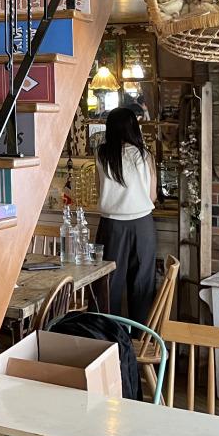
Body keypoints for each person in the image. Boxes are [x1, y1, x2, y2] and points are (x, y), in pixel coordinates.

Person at [94, 106, 157, 325]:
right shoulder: (144, 154)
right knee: (142, 284)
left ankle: (108, 338)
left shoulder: (102, 154)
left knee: (108, 283)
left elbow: (98, 187)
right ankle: (140, 337)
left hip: (111, 226)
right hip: (143, 225)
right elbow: (153, 194)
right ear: (134, 128)